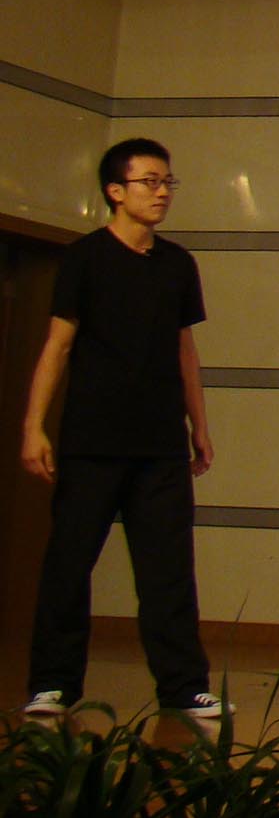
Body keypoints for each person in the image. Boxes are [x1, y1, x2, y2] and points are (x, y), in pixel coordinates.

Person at [19, 139, 225, 721]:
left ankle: (184, 687)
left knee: (168, 572)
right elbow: (58, 346)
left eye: (167, 183)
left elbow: (185, 350)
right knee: (68, 565)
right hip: (92, 442)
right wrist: (33, 427)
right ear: (115, 191)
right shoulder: (85, 258)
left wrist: (200, 424)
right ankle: (53, 684)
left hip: (159, 446)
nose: (162, 193)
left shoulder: (178, 264)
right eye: (149, 182)